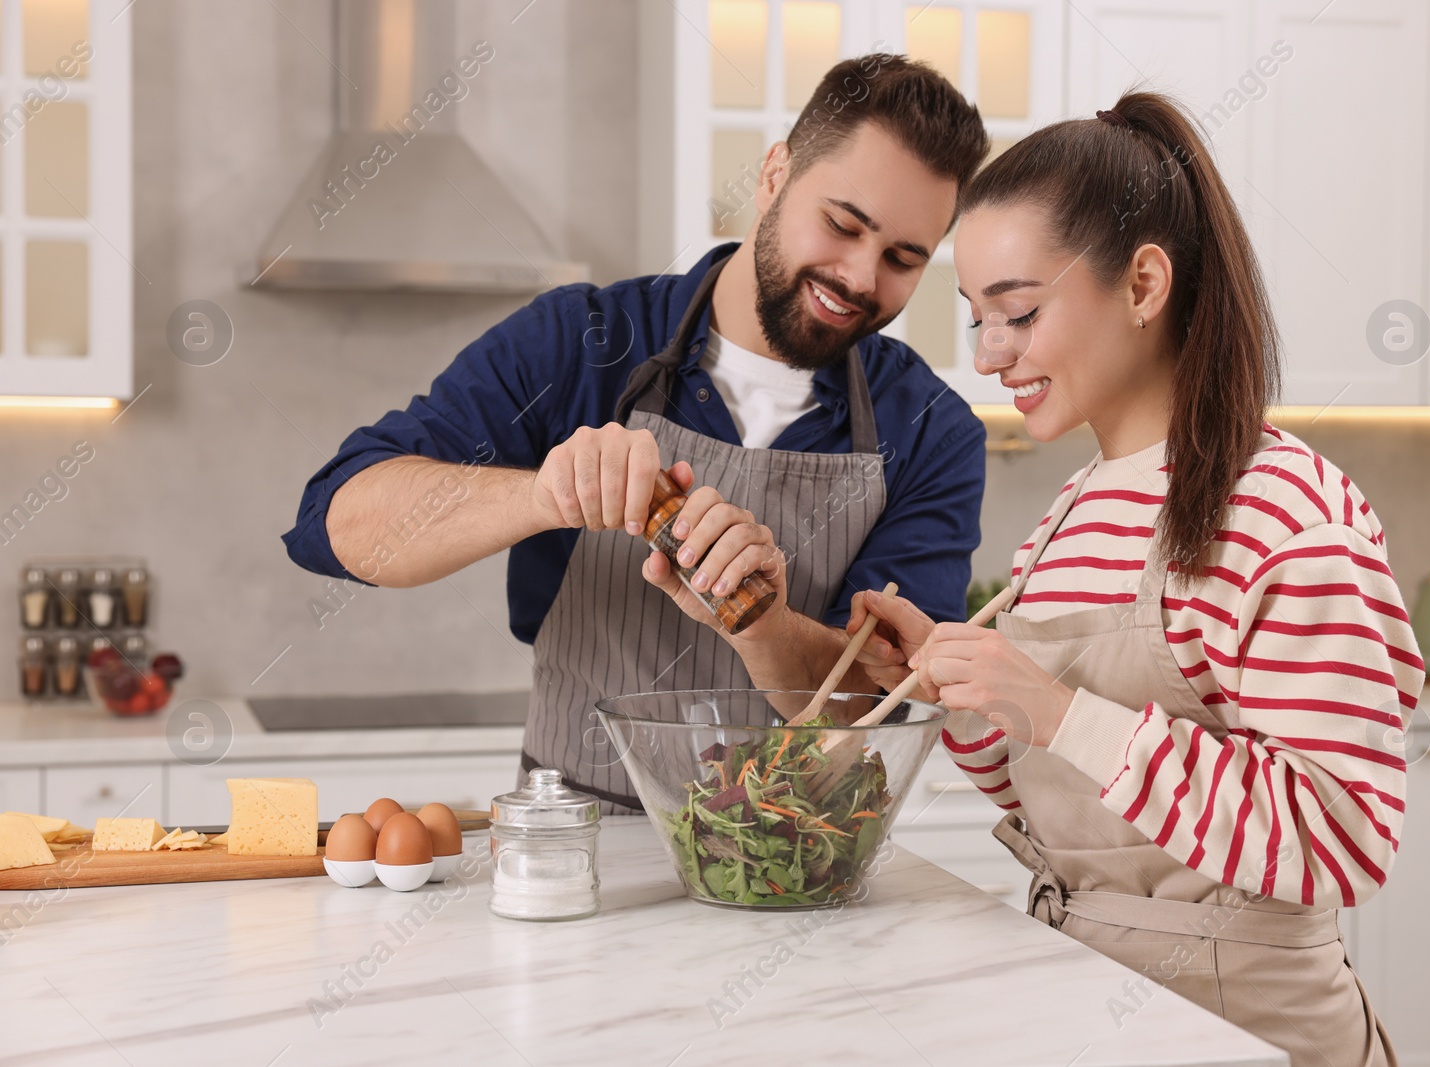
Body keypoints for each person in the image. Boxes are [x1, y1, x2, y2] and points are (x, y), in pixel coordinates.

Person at [848, 92, 1420, 1066]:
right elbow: (1047, 804)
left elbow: (1340, 834)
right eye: (978, 318)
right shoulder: (1066, 513)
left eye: (1019, 312)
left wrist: (1057, 708)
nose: (989, 355)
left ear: (1144, 282)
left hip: (1245, 1025)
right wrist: (962, 690)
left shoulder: (1285, 512)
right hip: (1082, 998)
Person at [282, 55, 990, 813]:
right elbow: (339, 524)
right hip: (576, 847)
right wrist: (547, 494)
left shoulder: (932, 430)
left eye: (902, 259)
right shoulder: (580, 343)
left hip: (798, 862)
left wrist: (763, 624)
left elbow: (884, 703)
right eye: (843, 224)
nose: (858, 274)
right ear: (775, 174)